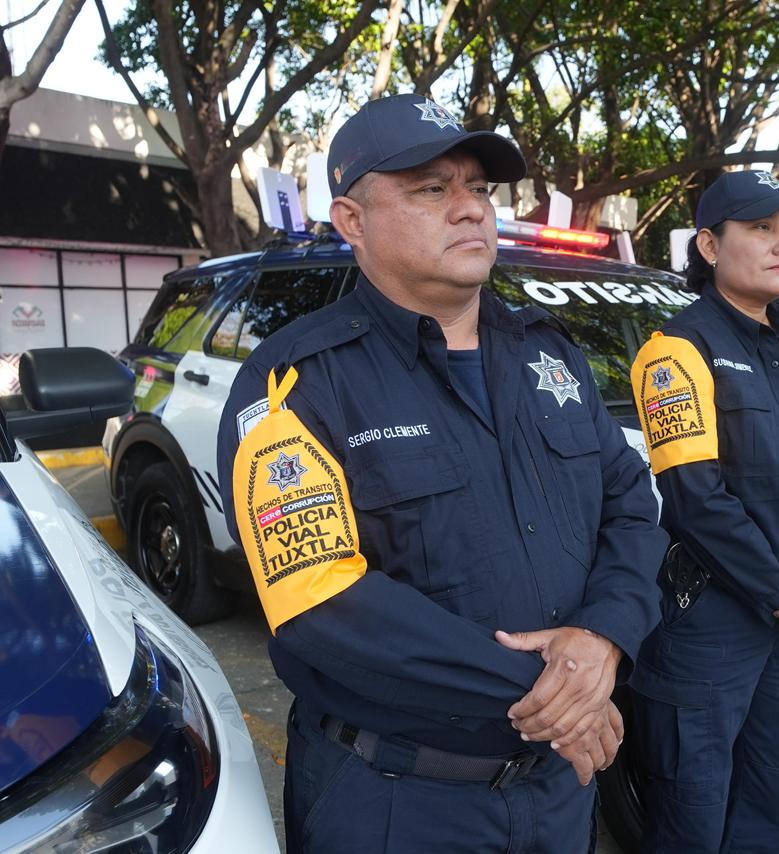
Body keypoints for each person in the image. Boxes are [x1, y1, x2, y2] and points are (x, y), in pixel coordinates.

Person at [216, 94, 665, 853]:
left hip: (556, 788)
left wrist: (602, 637)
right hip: (398, 801)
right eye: (431, 188)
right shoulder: (297, 381)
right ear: (352, 220)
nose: (470, 209)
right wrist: (560, 694)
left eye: (479, 188)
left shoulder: (548, 353)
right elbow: (321, 598)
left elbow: (628, 503)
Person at [628, 170, 779, 853]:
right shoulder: (676, 352)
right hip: (715, 617)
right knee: (692, 803)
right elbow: (696, 499)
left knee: (770, 793)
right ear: (710, 246)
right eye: (762, 228)